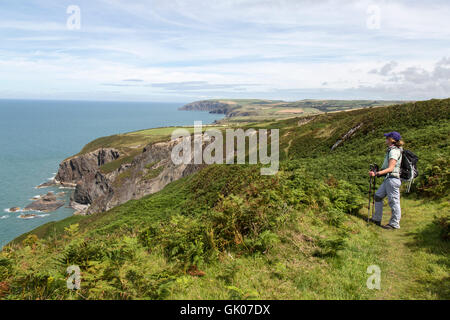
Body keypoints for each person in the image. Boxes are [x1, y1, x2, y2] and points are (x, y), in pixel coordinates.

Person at [369, 131, 404, 229]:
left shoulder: (394, 151)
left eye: (387, 138)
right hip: (389, 179)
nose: (385, 139)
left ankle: (394, 224)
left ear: (391, 140)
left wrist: (377, 173)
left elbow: (391, 168)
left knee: (393, 201)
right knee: (378, 196)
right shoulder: (392, 150)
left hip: (392, 180)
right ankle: (376, 219)